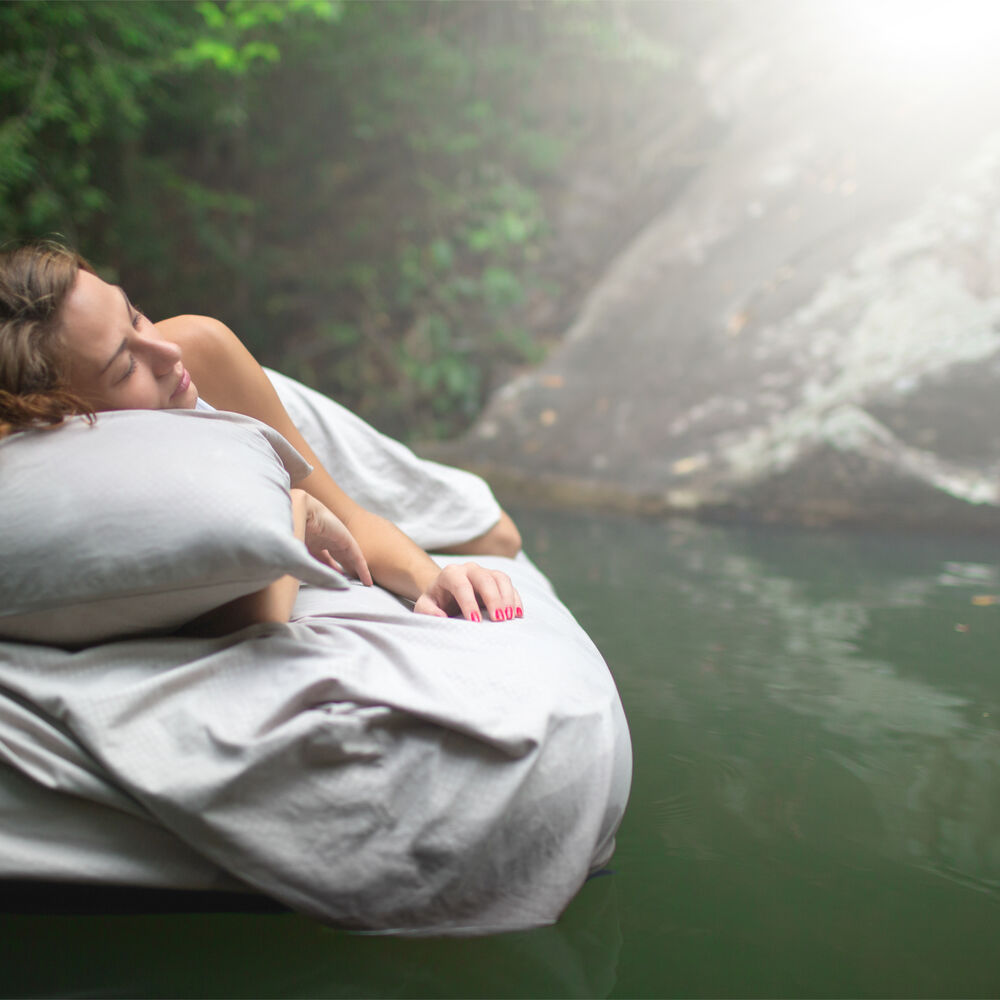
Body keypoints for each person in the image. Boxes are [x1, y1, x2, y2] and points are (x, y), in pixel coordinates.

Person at [0, 241, 524, 633]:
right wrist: (296, 510)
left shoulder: (196, 350)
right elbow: (258, 612)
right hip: (248, 462)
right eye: (125, 365)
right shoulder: (60, 470)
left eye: (136, 314)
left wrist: (431, 578)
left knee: (496, 535)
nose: (165, 353)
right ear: (61, 414)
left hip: (266, 411)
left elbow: (351, 518)